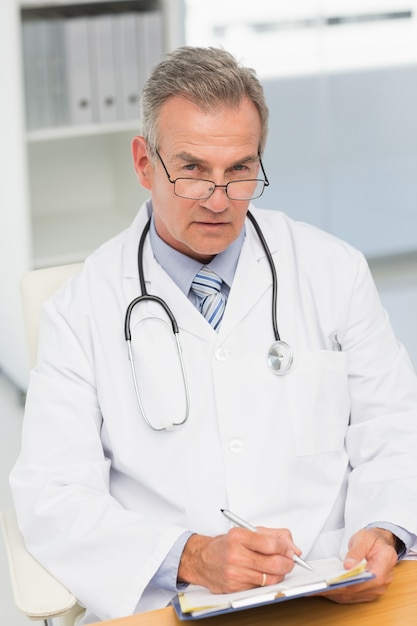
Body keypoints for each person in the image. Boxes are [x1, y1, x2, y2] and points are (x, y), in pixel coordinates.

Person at [10, 46, 417, 624]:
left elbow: (397, 426)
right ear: (144, 164)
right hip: (173, 602)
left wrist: (384, 531)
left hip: (332, 591)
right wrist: (191, 556)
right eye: (193, 168)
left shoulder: (332, 270)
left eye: (240, 170)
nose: (220, 201)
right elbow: (52, 497)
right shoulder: (80, 310)